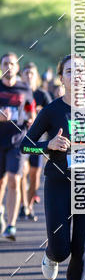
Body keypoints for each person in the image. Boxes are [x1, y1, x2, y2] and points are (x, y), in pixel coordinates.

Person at [20, 56, 85, 280]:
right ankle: (51, 255)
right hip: (58, 183)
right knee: (61, 250)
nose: (76, 75)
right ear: (61, 78)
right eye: (70, 71)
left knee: (82, 247)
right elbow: (25, 145)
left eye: (81, 71)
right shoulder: (51, 111)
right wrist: (49, 146)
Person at [0, 52, 36, 240]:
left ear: (17, 67)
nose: (9, 66)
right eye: (5, 63)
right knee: (1, 182)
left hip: (18, 141)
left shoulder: (25, 89)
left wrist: (31, 120)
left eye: (12, 63)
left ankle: (11, 225)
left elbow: (31, 111)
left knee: (14, 180)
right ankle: (0, 212)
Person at [20, 62, 51, 221]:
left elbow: (52, 115)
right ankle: (24, 205)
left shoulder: (42, 95)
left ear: (36, 77)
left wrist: (40, 114)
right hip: (20, 138)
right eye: (26, 73)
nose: (29, 76)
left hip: (38, 140)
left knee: (34, 175)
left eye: (32, 73)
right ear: (22, 75)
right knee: (22, 171)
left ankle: (30, 204)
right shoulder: (18, 93)